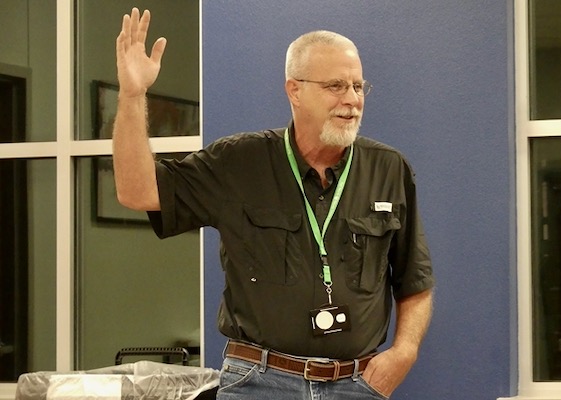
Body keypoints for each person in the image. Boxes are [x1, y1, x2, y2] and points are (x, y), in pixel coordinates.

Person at [113, 7, 434, 399]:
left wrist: (405, 352)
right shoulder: (238, 162)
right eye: (335, 86)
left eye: (358, 87)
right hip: (259, 383)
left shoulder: (389, 169)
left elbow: (415, 280)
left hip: (357, 385)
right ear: (294, 90)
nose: (352, 100)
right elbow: (137, 191)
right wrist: (132, 95)